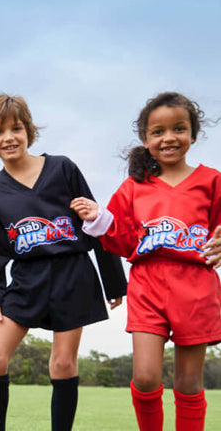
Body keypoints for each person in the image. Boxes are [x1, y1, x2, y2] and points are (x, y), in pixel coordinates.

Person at [71, 91, 221, 431]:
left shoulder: (211, 181)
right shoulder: (134, 187)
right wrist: (98, 218)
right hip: (147, 285)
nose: (169, 137)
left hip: (196, 288)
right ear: (146, 139)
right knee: (146, 376)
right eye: (158, 132)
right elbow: (122, 241)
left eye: (179, 128)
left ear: (193, 134)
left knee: (188, 382)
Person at [0, 94, 127, 431]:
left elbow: (94, 221)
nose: (9, 137)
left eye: (16, 128)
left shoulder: (62, 168)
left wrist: (114, 281)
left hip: (72, 273)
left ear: (29, 130)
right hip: (27, 280)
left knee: (61, 364)